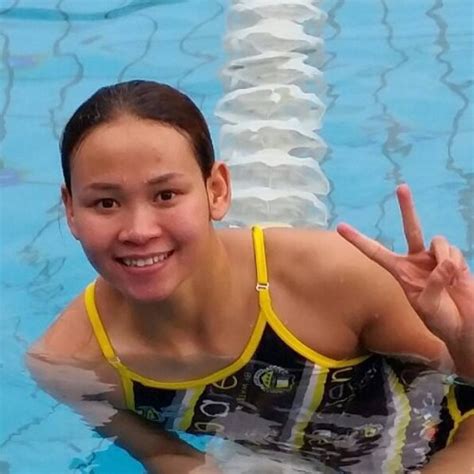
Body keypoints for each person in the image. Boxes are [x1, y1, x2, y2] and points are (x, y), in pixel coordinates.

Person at [27, 80, 474, 474]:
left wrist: (461, 334)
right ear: (70, 209)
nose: (139, 231)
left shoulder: (330, 279)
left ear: (216, 190)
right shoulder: (72, 363)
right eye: (105, 203)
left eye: (166, 195)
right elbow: (177, 462)